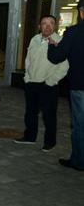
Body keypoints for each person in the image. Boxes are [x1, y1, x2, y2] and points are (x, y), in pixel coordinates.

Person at [14, 15, 68, 152]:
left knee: (49, 115)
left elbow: (65, 66)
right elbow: (28, 60)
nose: (48, 26)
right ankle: (30, 137)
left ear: (55, 26)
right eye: (44, 23)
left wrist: (51, 81)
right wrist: (27, 77)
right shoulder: (34, 39)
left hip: (48, 85)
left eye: (51, 23)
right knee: (30, 113)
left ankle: (50, 142)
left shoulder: (61, 42)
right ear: (40, 26)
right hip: (32, 83)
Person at [47, 0, 84, 171]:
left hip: (80, 87)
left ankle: (79, 160)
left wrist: (53, 46)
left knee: (80, 125)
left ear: (81, 12)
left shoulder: (74, 32)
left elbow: (56, 57)